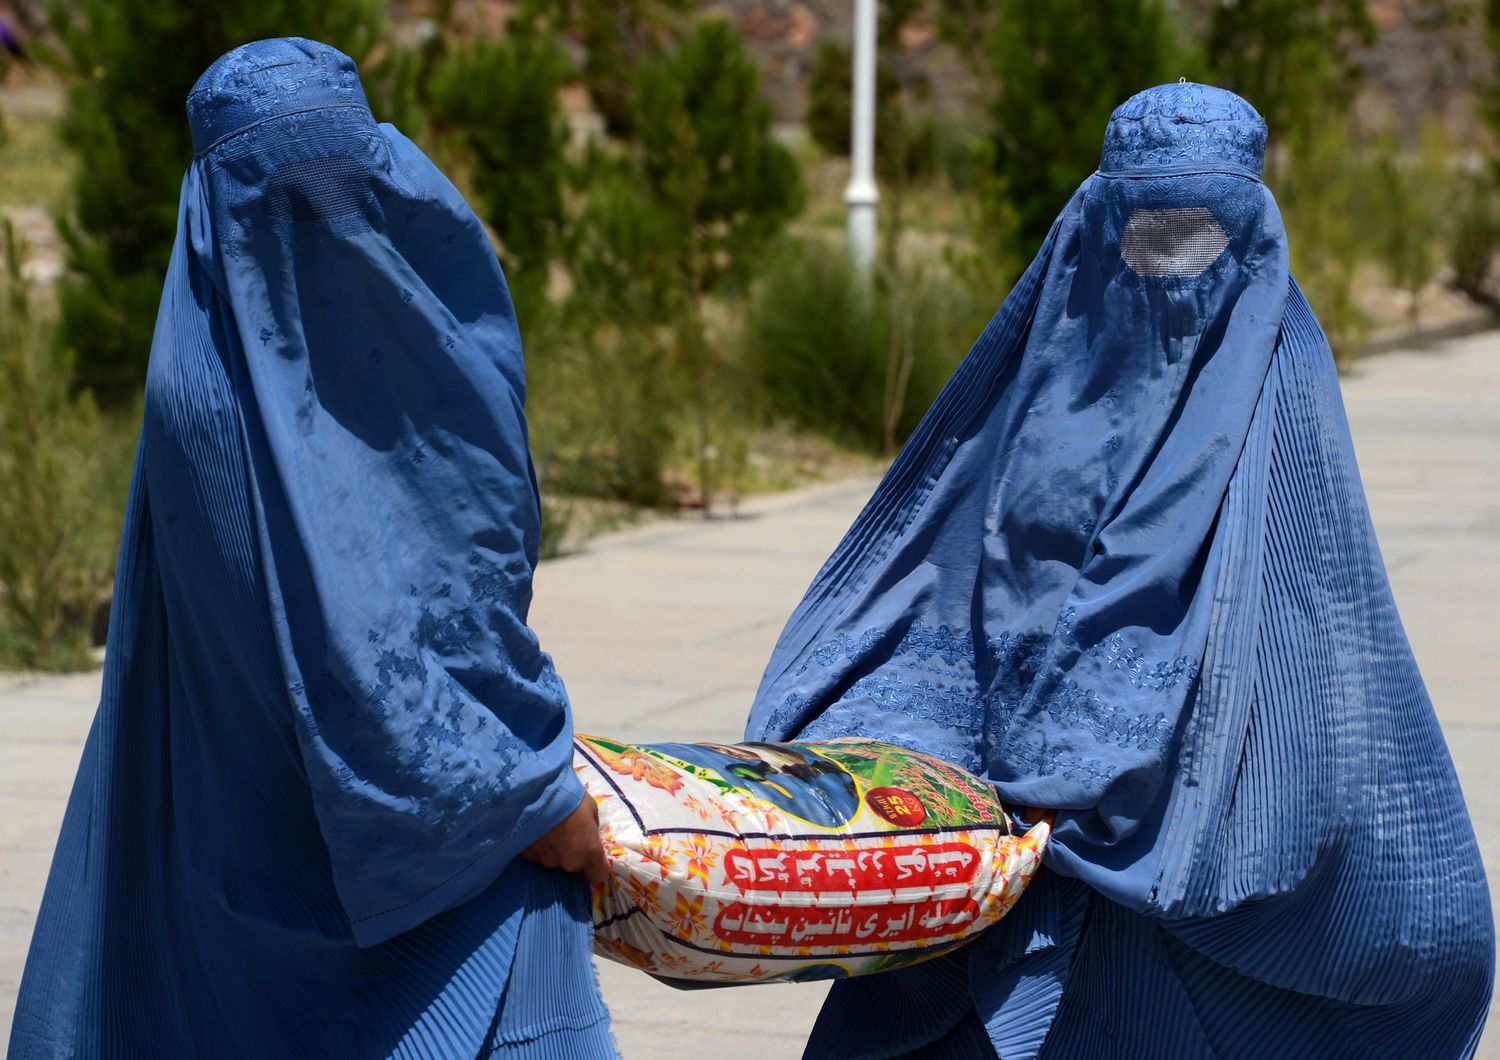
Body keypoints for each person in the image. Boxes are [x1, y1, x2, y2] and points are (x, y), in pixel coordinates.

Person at [746, 82, 1495, 1058]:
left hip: (1167, 890)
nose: (1172, 267)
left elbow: (1307, 659)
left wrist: (1092, 766)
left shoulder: (1283, 426)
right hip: (988, 882)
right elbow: (929, 581)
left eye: (1202, 236)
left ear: (1250, 236)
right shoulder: (1034, 388)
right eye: (1146, 231)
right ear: (1097, 221)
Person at [9, 38, 613, 1059]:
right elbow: (364, 645)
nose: (314, 212)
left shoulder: (212, 370)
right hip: (443, 862)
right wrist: (529, 797)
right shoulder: (256, 391)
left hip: (237, 875)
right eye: (279, 181)